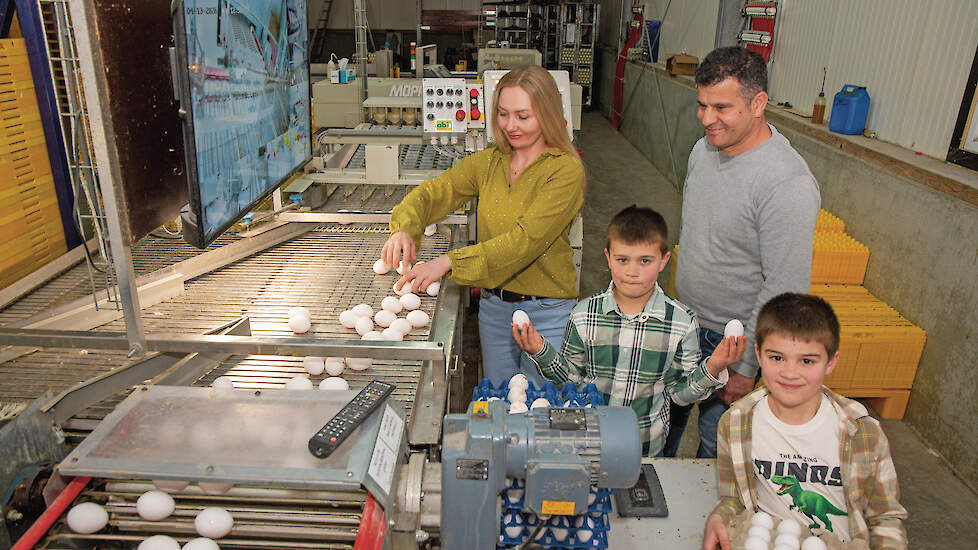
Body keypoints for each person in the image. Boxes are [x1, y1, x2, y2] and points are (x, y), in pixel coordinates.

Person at [382, 65, 585, 387]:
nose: (510, 125)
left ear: (547, 114)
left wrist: (449, 261)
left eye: (523, 115)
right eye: (503, 114)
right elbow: (436, 192)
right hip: (495, 307)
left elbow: (523, 242)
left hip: (547, 312)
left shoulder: (565, 172)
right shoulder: (491, 161)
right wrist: (404, 226)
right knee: (499, 406)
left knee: (539, 410)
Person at [664, 46, 821, 458]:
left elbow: (785, 288)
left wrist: (747, 364)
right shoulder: (704, 150)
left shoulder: (785, 183)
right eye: (701, 105)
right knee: (660, 432)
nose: (707, 118)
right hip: (682, 326)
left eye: (721, 107)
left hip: (732, 343)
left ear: (758, 103)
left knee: (716, 452)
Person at [511, 206, 746, 457]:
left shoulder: (682, 322)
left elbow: (679, 395)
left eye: (645, 260)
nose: (632, 272)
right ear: (608, 257)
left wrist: (713, 367)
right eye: (622, 260)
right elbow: (570, 380)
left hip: (644, 448)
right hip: (588, 442)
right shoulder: (583, 315)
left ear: (664, 260)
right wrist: (539, 350)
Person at [702, 293, 907, 550]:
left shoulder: (862, 432)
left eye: (807, 360)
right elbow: (733, 498)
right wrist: (721, 515)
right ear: (758, 354)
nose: (790, 373)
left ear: (831, 361)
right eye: (777, 357)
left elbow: (886, 517)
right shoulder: (736, 423)